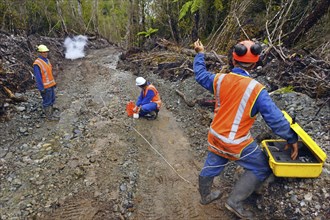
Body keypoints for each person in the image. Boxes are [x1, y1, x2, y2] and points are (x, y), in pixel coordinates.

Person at [193, 39, 298, 219]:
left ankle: (205, 196)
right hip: (236, 143)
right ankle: (234, 201)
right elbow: (275, 119)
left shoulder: (219, 79)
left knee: (212, 164)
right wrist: (291, 138)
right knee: (262, 167)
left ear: (233, 60)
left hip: (215, 136)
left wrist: (200, 54)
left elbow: (200, 75)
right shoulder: (257, 90)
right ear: (256, 62)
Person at [33, 44, 59, 121]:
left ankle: (51, 112)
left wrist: (54, 83)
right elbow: (38, 77)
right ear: (40, 53)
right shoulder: (37, 63)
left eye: (46, 52)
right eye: (44, 52)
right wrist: (41, 88)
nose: (46, 53)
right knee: (47, 101)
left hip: (50, 84)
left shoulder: (47, 60)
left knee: (52, 99)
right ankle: (49, 117)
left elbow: (49, 73)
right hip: (45, 86)